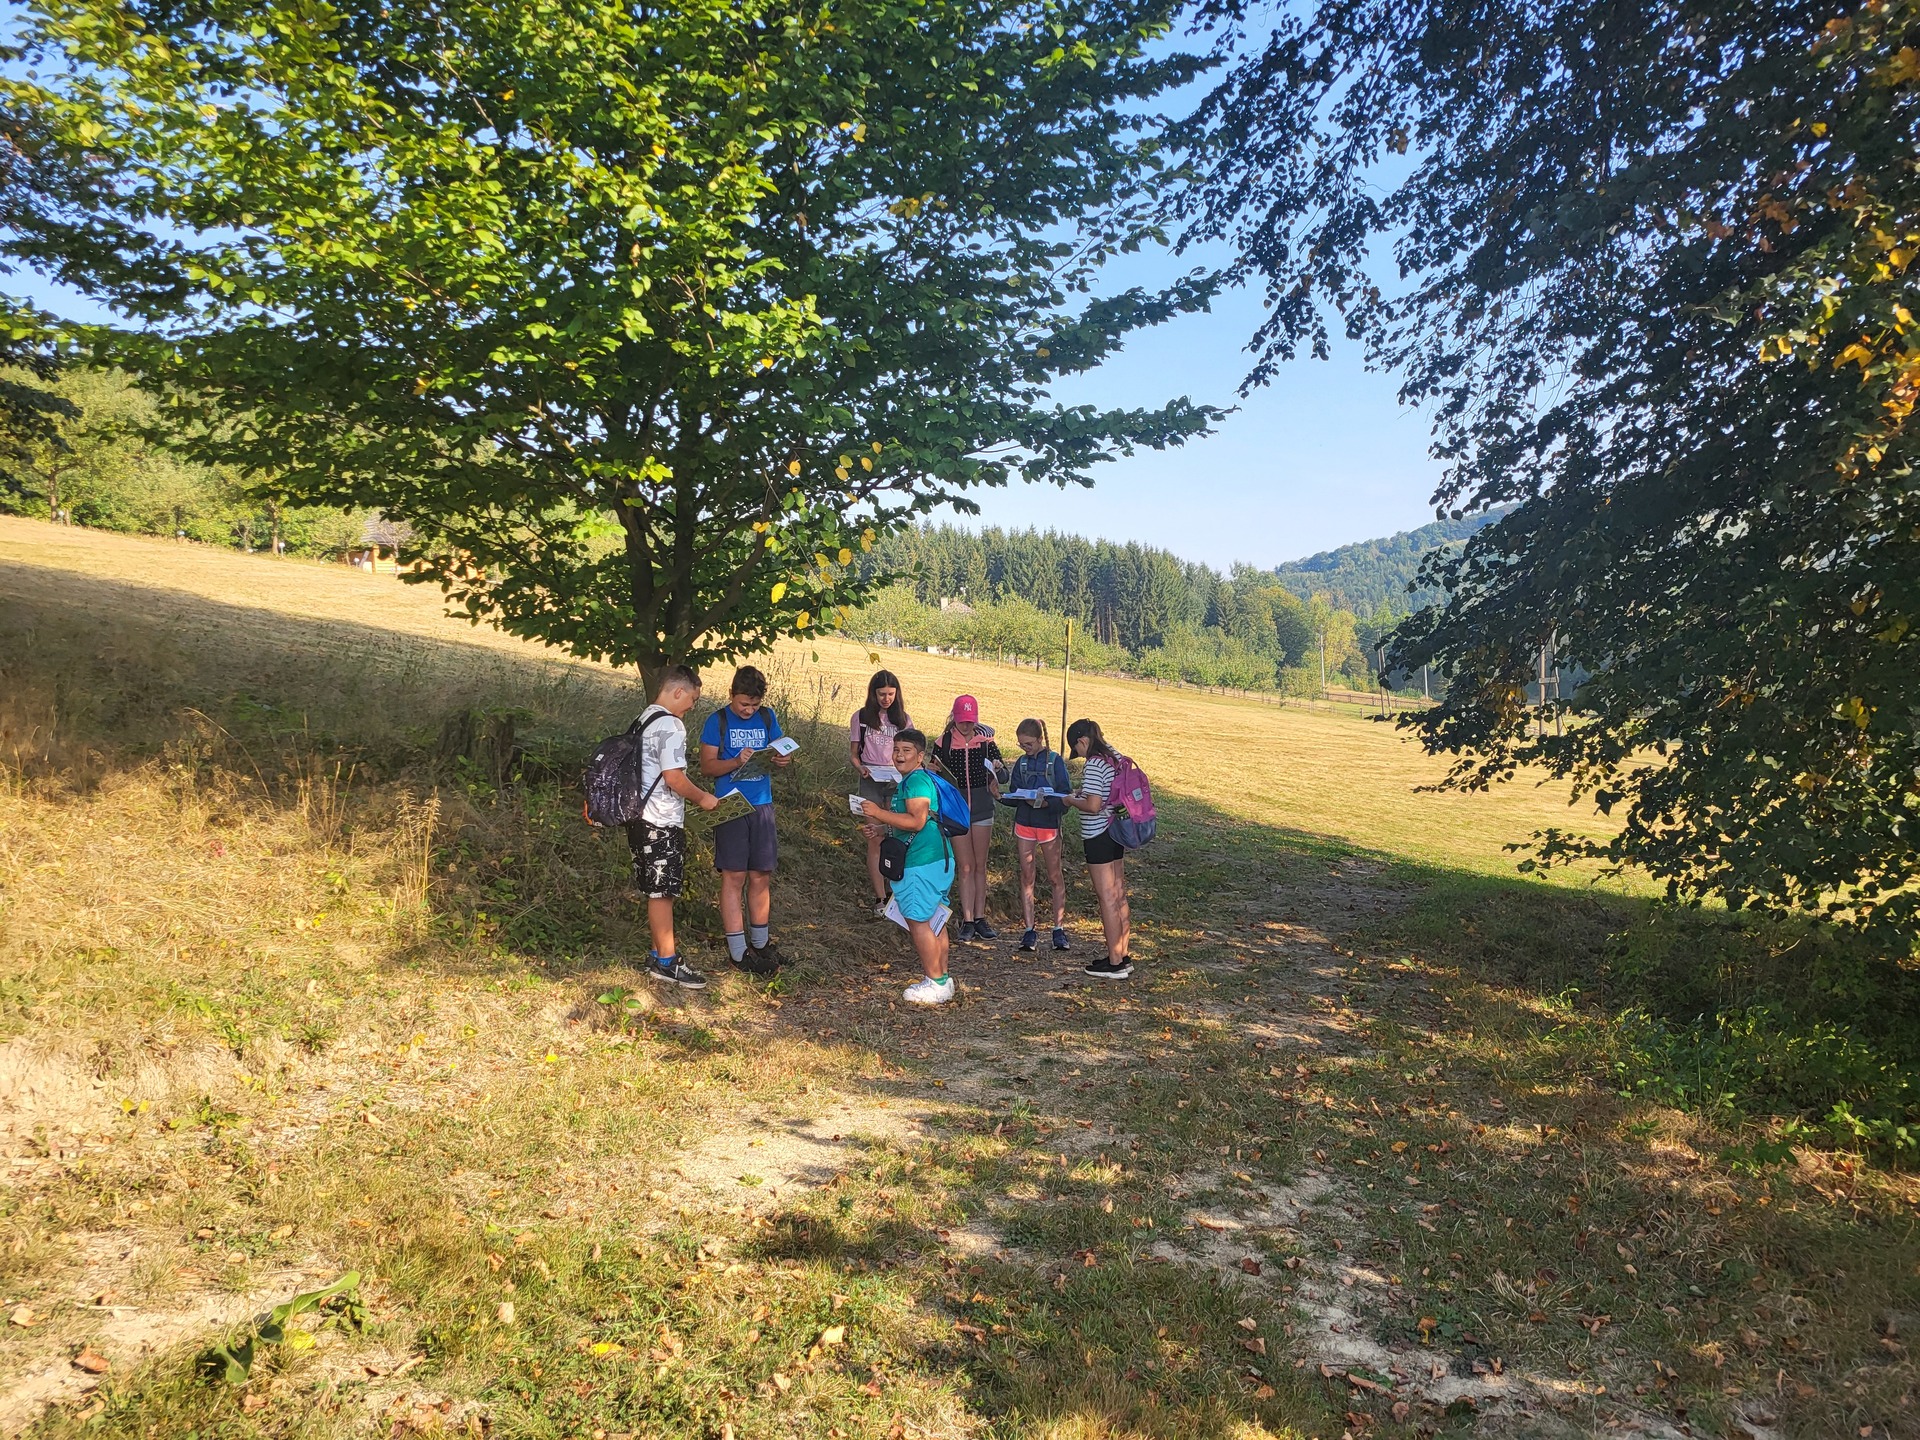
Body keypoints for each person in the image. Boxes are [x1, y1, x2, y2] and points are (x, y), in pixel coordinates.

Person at [628, 665, 722, 989]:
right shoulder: (670, 724)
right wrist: (703, 798)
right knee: (663, 892)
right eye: (692, 699)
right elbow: (674, 778)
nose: (692, 706)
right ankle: (667, 962)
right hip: (661, 819)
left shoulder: (644, 718)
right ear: (678, 691)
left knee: (654, 889)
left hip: (639, 817)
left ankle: (658, 954)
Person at [699, 665, 792, 974]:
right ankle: (738, 952)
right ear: (731, 695)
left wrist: (782, 759)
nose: (749, 710)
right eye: (743, 704)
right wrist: (735, 761)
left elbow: (780, 750)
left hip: (762, 804)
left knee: (761, 874)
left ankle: (761, 944)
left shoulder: (767, 717)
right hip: (730, 806)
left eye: (754, 704)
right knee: (734, 876)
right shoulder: (717, 721)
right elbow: (707, 767)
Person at [860, 728, 957, 1005]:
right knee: (936, 919)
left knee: (918, 921)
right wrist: (881, 829)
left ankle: (935, 982)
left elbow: (917, 821)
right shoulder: (915, 779)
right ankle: (943, 979)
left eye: (906, 751)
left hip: (921, 862)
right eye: (896, 750)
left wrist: (878, 813)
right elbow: (915, 822)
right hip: (937, 859)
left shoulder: (916, 782)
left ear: (920, 755)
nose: (899, 755)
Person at [1064, 717, 1131, 980]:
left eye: (1077, 749)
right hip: (1116, 831)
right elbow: (1105, 793)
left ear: (1083, 741)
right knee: (1119, 894)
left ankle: (1114, 963)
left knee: (1107, 897)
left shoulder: (1094, 763)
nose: (1079, 755)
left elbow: (1093, 805)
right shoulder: (1114, 755)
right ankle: (1123, 954)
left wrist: (1071, 800)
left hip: (1097, 834)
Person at [997, 718, 1073, 954]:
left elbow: (1066, 797)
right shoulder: (1021, 763)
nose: (1025, 748)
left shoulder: (1055, 762)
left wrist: (1047, 804)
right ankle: (1029, 929)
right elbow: (1015, 794)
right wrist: (1002, 797)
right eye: (1021, 745)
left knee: (1054, 875)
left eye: (1028, 744)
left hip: (1048, 825)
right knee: (1027, 875)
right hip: (1025, 824)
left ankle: (1058, 929)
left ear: (1040, 739)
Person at [932, 696, 1003, 941]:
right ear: (954, 718)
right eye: (962, 721)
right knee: (965, 866)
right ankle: (968, 919)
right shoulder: (943, 742)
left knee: (980, 865)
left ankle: (981, 918)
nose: (966, 726)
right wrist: (932, 771)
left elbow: (1002, 774)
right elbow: (935, 774)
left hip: (982, 807)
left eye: (970, 721)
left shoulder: (986, 741)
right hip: (955, 809)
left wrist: (998, 769)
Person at [849, 670, 911, 915]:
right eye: (882, 694)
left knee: (896, 835)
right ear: (873, 694)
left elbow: (911, 751)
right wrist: (860, 768)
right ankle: (880, 898)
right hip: (871, 780)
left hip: (896, 781)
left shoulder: (903, 719)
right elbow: (854, 754)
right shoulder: (862, 717)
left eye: (891, 694)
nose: (886, 699)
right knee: (875, 837)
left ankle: (899, 893)